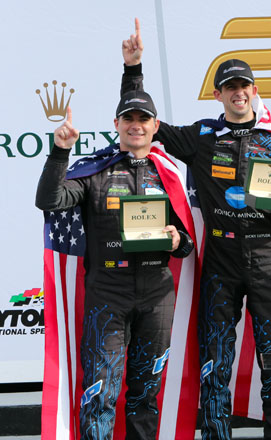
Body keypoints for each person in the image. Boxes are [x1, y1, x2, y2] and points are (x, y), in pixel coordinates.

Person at [120, 19, 271, 440]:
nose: (238, 92)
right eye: (229, 87)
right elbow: (141, 123)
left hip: (266, 258)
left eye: (244, 85)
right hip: (221, 261)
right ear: (218, 94)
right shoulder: (202, 136)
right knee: (215, 360)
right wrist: (133, 70)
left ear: (254, 90)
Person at [35, 92, 195, 439]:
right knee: (99, 393)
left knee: (145, 393)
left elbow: (187, 244)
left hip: (157, 295)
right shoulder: (95, 170)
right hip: (108, 292)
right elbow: (49, 200)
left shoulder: (168, 174)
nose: (136, 126)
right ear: (116, 125)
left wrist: (177, 240)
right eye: (129, 119)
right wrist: (60, 151)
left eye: (143, 119)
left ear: (155, 126)